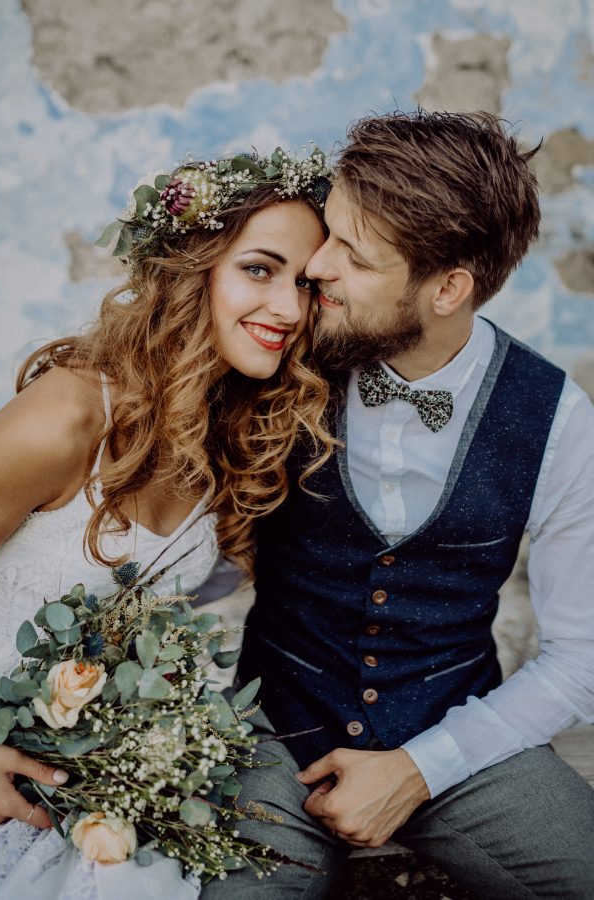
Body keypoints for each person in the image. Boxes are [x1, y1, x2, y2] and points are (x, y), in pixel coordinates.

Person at [203, 112, 594, 900]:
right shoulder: (278, 351)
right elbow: (187, 554)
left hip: (458, 733)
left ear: (448, 288)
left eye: (353, 253)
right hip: (274, 727)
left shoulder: (560, 418)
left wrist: (421, 769)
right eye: (329, 234)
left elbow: (582, 659)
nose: (315, 267)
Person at [0, 147, 336, 899]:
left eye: (308, 286)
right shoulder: (67, 418)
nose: (288, 308)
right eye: (259, 269)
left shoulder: (226, 442)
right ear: (192, 270)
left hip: (92, 795)